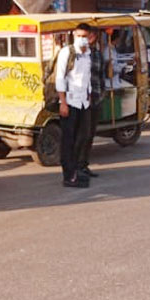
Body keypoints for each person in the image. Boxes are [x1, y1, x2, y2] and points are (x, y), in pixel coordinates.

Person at [55, 23, 94, 188]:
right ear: (73, 35)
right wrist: (62, 102)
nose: (81, 39)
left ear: (90, 37)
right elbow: (60, 78)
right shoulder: (67, 52)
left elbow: (87, 77)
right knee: (68, 141)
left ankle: (77, 170)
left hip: (83, 102)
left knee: (83, 136)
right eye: (78, 36)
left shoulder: (88, 55)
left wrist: (89, 95)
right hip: (70, 102)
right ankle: (68, 176)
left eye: (84, 36)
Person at [74, 27, 104, 181]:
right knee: (82, 135)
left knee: (90, 135)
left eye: (91, 35)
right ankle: (76, 167)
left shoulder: (97, 54)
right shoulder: (74, 54)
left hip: (95, 99)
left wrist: (101, 94)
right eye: (84, 36)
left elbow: (100, 76)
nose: (88, 38)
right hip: (80, 101)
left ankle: (84, 165)